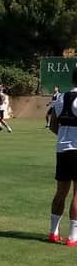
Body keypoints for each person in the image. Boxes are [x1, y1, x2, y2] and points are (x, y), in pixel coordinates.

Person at [48, 69, 77, 245]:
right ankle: (73, 237)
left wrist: (64, 136)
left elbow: (52, 125)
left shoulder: (61, 98)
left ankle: (53, 232)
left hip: (62, 149)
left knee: (61, 192)